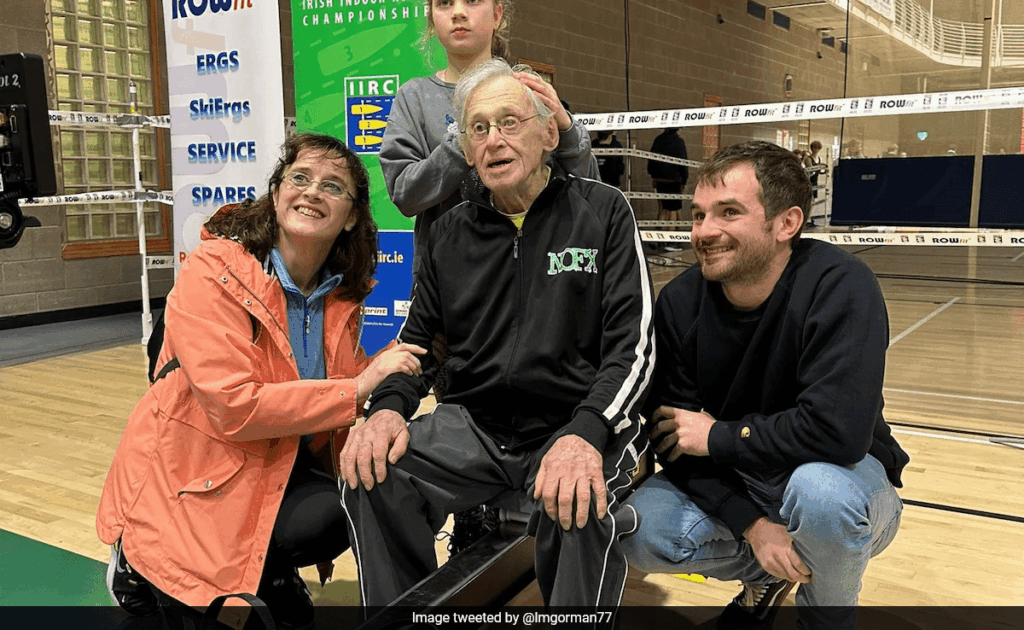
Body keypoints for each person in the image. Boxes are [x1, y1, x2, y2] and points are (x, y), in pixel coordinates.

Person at [340, 59, 655, 611]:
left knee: (577, 496)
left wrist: (587, 431)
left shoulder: (602, 211)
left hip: (574, 417)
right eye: (478, 129)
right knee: (372, 472)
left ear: (548, 134)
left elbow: (634, 344)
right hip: (476, 427)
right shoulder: (449, 233)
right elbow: (417, 338)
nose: (493, 140)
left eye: (509, 122)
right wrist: (387, 408)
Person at [96, 133, 427, 629]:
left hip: (275, 458)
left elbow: (333, 382)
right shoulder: (213, 271)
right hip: (196, 469)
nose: (313, 192)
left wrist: (385, 381)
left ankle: (265, 569)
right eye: (300, 178)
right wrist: (358, 390)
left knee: (348, 504)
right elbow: (234, 405)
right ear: (276, 194)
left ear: (352, 216)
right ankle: (137, 562)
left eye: (333, 186)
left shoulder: (339, 295)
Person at [622, 141, 908, 630]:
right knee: (639, 530)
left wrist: (719, 436)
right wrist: (752, 526)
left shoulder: (842, 287)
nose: (705, 232)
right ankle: (769, 572)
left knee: (818, 495)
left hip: (842, 483)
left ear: (786, 223)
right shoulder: (681, 303)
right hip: (743, 481)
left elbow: (839, 434)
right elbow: (673, 439)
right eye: (698, 215)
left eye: (728, 212)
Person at [379, 0, 598, 280]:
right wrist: (466, 137)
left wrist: (566, 129)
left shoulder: (526, 88)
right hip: (449, 279)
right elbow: (405, 195)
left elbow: (590, 187)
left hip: (534, 271)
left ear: (497, 15)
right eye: (444, 3)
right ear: (432, 22)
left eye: (472, 1)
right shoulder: (414, 97)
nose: (458, 12)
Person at [647, 127, 688, 251]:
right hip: (673, 180)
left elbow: (651, 160)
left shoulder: (658, 140)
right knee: (673, 211)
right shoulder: (679, 142)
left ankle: (656, 238)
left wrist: (654, 176)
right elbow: (683, 162)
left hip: (660, 180)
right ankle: (671, 242)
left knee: (664, 209)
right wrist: (684, 180)